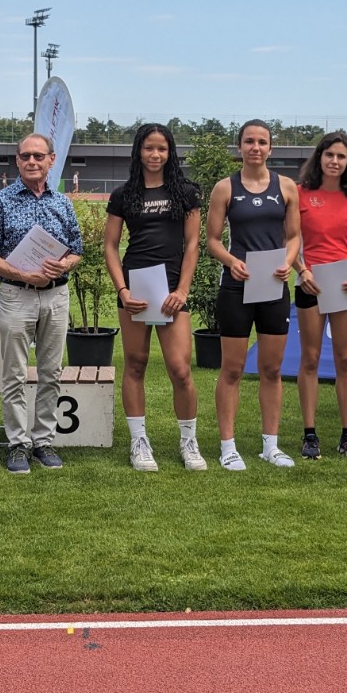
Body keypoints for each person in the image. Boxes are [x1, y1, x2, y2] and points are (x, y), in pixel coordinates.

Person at [0, 133, 84, 475]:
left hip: (56, 295)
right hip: (16, 295)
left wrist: (64, 264)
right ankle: (17, 444)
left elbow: (77, 250)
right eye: (26, 156)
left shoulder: (63, 203)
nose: (32, 161)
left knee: (51, 372)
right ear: (17, 160)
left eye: (39, 156)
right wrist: (23, 274)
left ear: (51, 160)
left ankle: (43, 441)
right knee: (14, 373)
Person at [105, 123, 206, 471]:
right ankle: (139, 442)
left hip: (172, 290)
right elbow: (110, 246)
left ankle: (189, 442)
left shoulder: (186, 192)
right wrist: (122, 290)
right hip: (136, 288)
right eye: (149, 148)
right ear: (139, 151)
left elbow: (193, 245)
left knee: (180, 369)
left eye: (162, 148)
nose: (155, 154)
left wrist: (182, 290)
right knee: (135, 364)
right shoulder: (123, 195)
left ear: (170, 152)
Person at [206, 119, 301, 470]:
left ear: (270, 148)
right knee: (232, 368)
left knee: (271, 369)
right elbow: (212, 240)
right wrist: (232, 261)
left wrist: (288, 262)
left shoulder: (286, 187)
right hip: (236, 286)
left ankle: (270, 446)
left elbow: (294, 236)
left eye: (262, 142)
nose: (255, 147)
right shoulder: (225, 188)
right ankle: (228, 447)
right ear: (240, 147)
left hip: (273, 286)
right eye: (249, 141)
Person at [294, 131, 347, 460]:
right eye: (330, 155)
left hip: (344, 285)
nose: (335, 161)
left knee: (345, 359)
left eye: (341, 156)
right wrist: (302, 271)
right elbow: (289, 240)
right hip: (310, 284)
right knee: (310, 359)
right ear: (319, 157)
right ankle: (310, 434)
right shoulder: (300, 193)